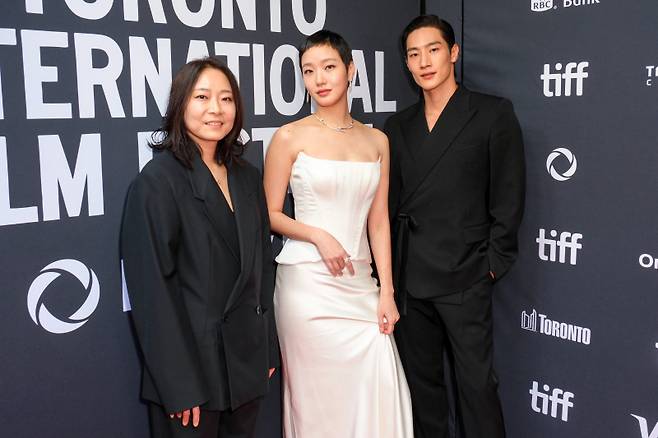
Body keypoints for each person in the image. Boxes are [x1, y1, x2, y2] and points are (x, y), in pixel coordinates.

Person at [263, 30, 413, 438]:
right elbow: (271, 214)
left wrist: (386, 292)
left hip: (360, 284)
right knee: (316, 401)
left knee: (379, 378)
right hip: (307, 286)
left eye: (329, 68)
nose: (320, 79)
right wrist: (318, 235)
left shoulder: (377, 140)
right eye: (309, 71)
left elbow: (378, 220)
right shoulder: (289, 136)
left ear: (350, 70)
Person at [120, 57, 278, 438]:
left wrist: (266, 349)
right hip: (191, 378)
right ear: (180, 104)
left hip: (245, 369)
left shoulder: (247, 175)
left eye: (226, 99)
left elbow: (262, 270)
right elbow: (152, 294)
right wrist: (178, 386)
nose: (215, 109)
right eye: (202, 97)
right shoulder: (157, 183)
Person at [385, 15, 525, 438]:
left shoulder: (491, 113)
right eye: (414, 54)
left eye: (433, 50)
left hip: (466, 275)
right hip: (412, 278)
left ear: (453, 53)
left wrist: (492, 264)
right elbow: (390, 204)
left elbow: (509, 194)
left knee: (477, 387)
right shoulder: (397, 125)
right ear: (406, 64)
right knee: (422, 388)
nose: (424, 61)